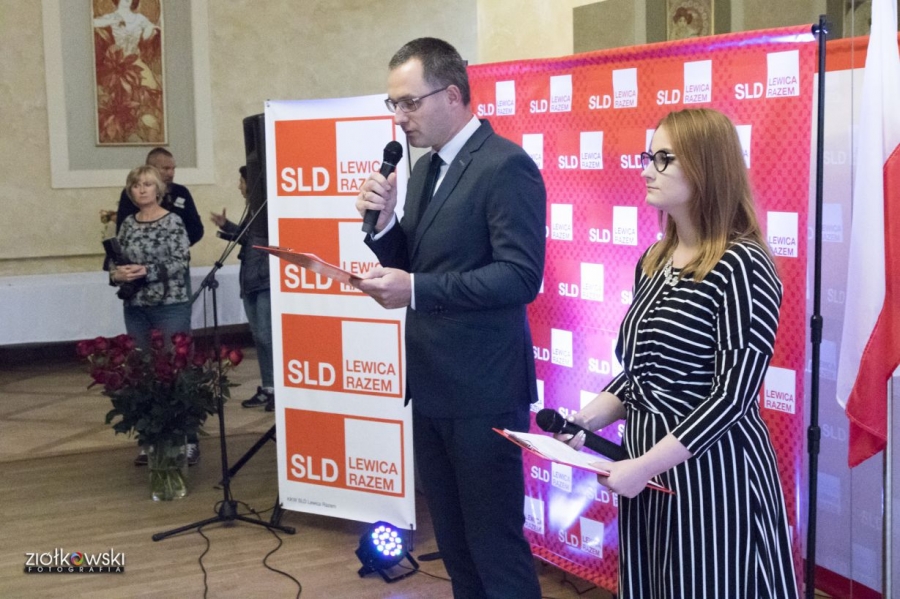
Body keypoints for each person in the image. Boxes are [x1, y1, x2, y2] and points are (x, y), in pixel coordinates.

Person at [559, 108, 797, 598]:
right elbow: (641, 376)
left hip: (712, 477)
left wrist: (645, 465)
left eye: (664, 159)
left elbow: (733, 397)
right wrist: (585, 421)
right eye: (648, 157)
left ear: (705, 167)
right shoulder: (654, 259)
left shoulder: (743, 265)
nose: (647, 170)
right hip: (645, 469)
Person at [354, 38, 545, 599]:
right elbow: (420, 262)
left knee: (494, 548)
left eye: (409, 102)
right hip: (432, 384)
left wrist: (415, 288)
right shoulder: (423, 169)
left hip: (484, 389)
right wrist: (386, 227)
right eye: (394, 103)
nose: (399, 117)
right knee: (456, 547)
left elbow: (519, 277)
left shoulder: (505, 164)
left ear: (454, 94)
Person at [111, 165, 200, 467]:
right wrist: (117, 275)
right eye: (136, 185)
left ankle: (188, 439)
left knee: (177, 368)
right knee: (143, 370)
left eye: (147, 184)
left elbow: (180, 261)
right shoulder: (127, 224)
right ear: (130, 191)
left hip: (170, 304)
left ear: (158, 189)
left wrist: (147, 271)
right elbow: (115, 262)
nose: (142, 189)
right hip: (136, 306)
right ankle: (151, 438)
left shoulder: (173, 221)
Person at [210, 167, 274, 411]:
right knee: (258, 337)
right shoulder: (253, 210)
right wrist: (226, 226)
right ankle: (268, 387)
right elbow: (248, 238)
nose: (239, 186)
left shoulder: (266, 210)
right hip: (250, 280)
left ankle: (278, 388)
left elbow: (259, 241)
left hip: (264, 280)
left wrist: (230, 228)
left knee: (267, 337)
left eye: (241, 181)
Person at [115, 147, 204, 247]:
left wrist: (176, 241)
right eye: (166, 168)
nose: (171, 173)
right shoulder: (134, 193)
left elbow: (196, 229)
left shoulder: (181, 192)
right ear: (151, 169)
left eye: (173, 169)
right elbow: (122, 232)